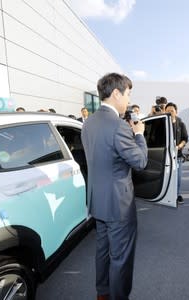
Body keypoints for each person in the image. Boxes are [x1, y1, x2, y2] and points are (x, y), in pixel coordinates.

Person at [81, 73, 147, 300]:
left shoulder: (87, 122)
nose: (128, 100)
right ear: (116, 93)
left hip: (97, 200)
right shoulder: (119, 126)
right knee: (121, 257)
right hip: (118, 204)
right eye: (128, 94)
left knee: (102, 251)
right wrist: (139, 135)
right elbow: (140, 161)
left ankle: (103, 293)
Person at [165, 102, 188, 204]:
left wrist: (179, 146)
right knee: (167, 177)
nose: (170, 112)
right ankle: (167, 195)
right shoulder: (162, 124)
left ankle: (177, 195)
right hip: (165, 156)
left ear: (176, 112)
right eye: (168, 111)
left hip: (177, 156)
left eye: (172, 111)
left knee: (177, 178)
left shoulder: (181, 124)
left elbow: (185, 138)